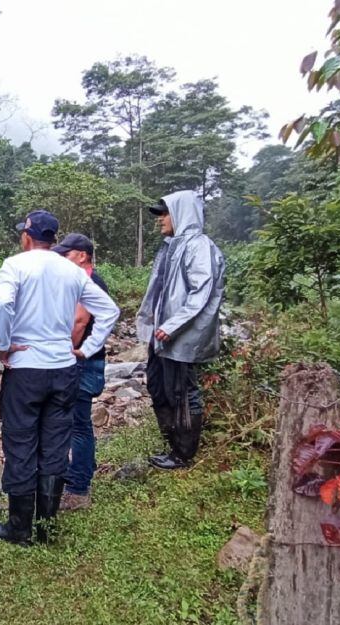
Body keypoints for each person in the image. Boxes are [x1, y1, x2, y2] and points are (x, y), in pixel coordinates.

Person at [0, 211, 119, 546]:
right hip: (63, 369)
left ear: (27, 237)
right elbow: (109, 310)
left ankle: (19, 527)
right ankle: (47, 527)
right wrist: (88, 348)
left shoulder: (15, 265)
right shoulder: (72, 271)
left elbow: (3, 304)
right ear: (54, 239)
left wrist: (4, 346)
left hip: (25, 369)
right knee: (55, 445)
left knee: (21, 444)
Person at [136, 190, 226, 471]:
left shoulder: (199, 246)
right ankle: (171, 443)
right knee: (158, 385)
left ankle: (183, 454)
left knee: (183, 393)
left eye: (164, 213)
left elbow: (202, 291)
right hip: (163, 337)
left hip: (181, 338)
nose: (160, 219)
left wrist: (173, 325)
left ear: (181, 213)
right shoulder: (172, 245)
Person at [51, 233, 110, 511]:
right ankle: (77, 477)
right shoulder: (84, 279)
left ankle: (78, 490)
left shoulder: (88, 282)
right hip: (87, 362)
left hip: (82, 362)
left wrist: (64, 351)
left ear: (82, 255)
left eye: (67, 253)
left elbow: (79, 321)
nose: (63, 258)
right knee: (77, 424)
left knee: (78, 425)